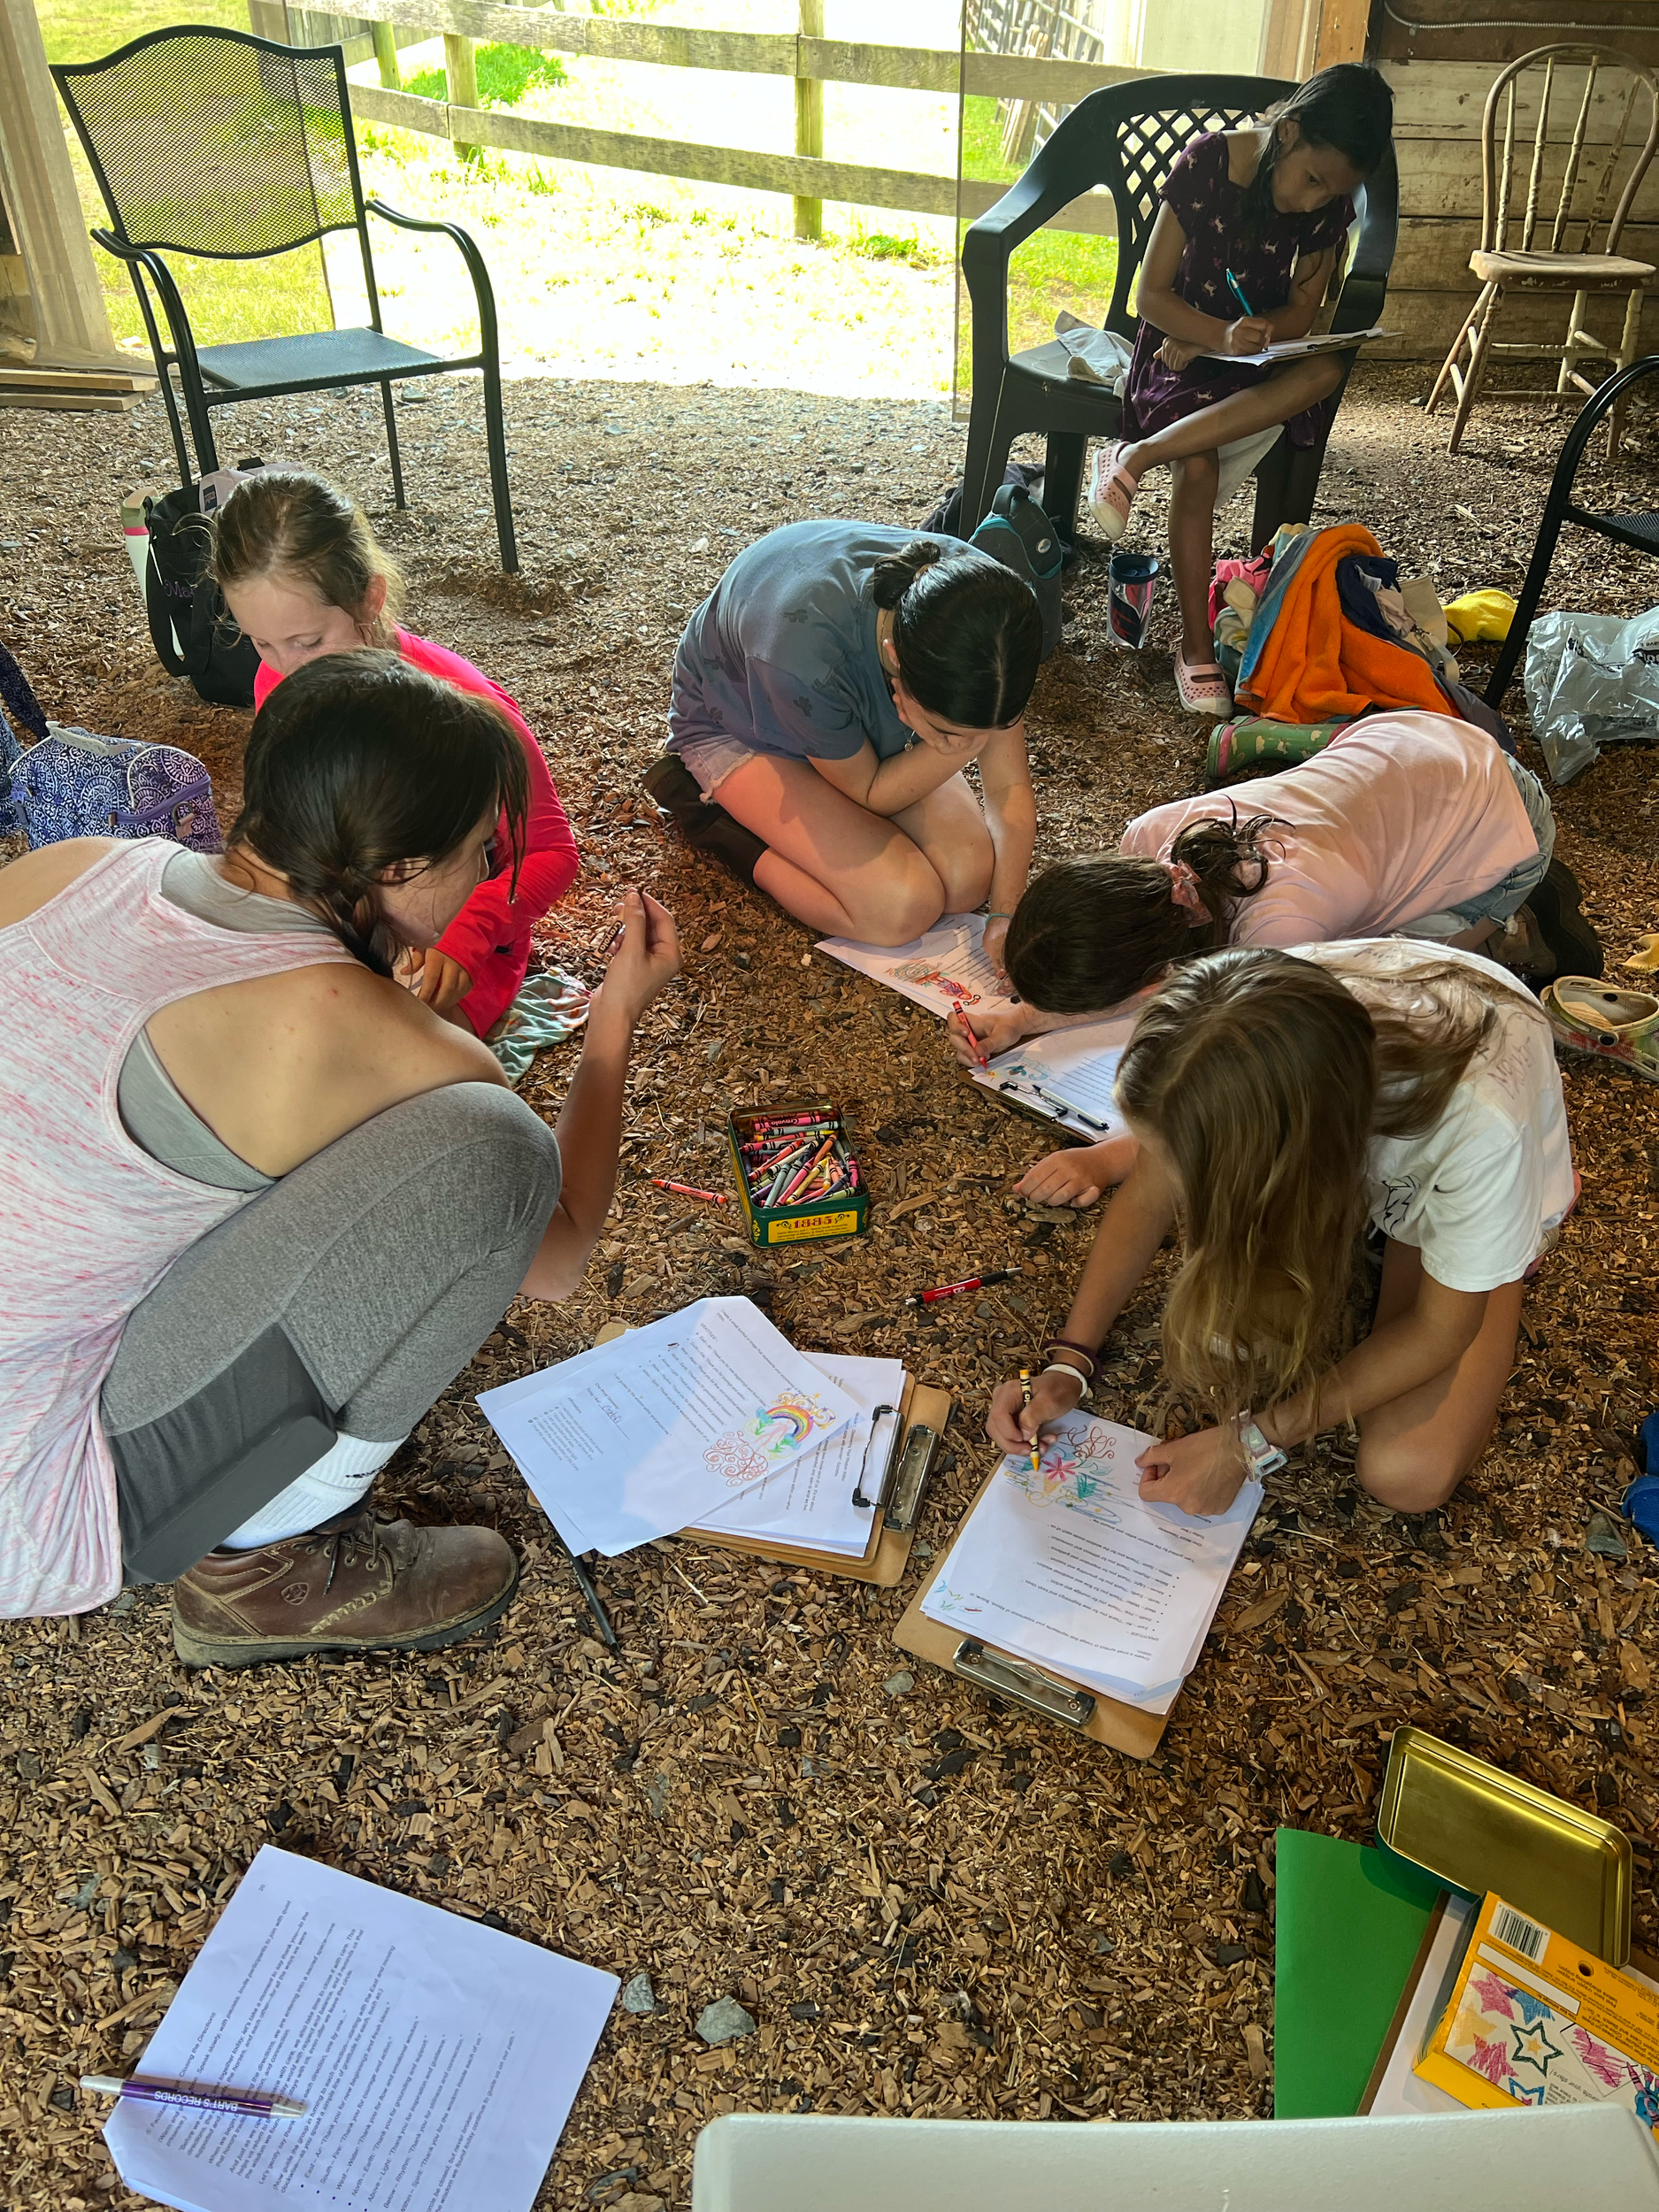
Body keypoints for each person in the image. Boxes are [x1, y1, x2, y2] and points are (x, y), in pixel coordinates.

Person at [0, 651, 680, 1659]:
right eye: (479, 854)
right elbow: (559, 1250)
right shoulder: (354, 1030)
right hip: (35, 1492)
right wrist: (613, 1022)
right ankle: (262, 1560)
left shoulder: (82, 864)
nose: (488, 880)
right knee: (493, 1154)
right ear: (400, 867)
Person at [987, 940, 1574, 1520]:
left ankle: (1506, 1246)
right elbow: (1148, 1194)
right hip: (1364, 1104)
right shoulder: (1236, 1036)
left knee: (1407, 1472)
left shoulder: (1479, 1130)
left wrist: (1249, 1445)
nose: (1178, 1188)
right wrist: (1070, 1360)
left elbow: (1439, 1332)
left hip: (1465, 1138)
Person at [949, 714, 1601, 1206]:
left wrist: (1116, 1159)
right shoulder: (1149, 840)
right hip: (1408, 745)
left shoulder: (1281, 932)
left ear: (1155, 974)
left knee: (1408, 987)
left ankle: (1513, 916)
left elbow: (1254, 1080)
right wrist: (1022, 1018)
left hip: (1501, 810)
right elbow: (1161, 973)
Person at [211, 469, 580, 1038]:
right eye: (261, 643)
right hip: (345, 910)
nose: (286, 669)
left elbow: (552, 851)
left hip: (454, 935)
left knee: (406, 1046)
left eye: (309, 642)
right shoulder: (278, 682)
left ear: (371, 598)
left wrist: (467, 939)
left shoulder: (464, 710)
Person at [1087, 64, 1395, 715]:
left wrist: (1239, 338)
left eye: (1331, 194)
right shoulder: (1206, 164)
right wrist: (1213, 337)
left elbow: (1301, 316)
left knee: (1323, 369)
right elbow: (1150, 297)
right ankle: (1194, 650)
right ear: (1285, 134)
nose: (1314, 203)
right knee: (1195, 468)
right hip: (1175, 353)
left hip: (1245, 358)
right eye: (1312, 180)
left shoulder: (1326, 206)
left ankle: (1135, 458)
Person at [644, 520, 1043, 959]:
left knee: (968, 878)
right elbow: (871, 791)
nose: (973, 742)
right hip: (738, 722)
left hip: (839, 710)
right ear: (895, 659)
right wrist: (962, 748)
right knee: (900, 908)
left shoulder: (992, 615)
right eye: (947, 732)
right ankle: (720, 825)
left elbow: (1008, 786)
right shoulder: (805, 658)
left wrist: (1006, 912)